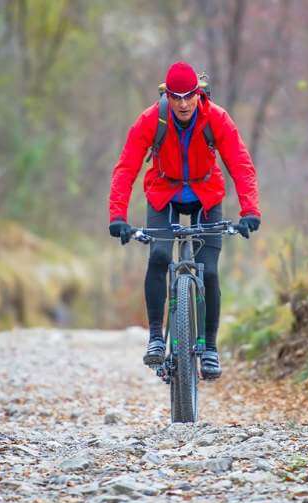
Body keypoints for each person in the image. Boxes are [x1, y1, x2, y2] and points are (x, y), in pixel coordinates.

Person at [107, 61, 261, 380]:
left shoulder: (216, 118)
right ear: (167, 96)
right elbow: (126, 168)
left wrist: (250, 211)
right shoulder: (151, 120)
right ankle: (154, 338)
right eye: (176, 97)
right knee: (160, 256)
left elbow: (241, 164)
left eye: (188, 96)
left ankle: (210, 349)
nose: (182, 103)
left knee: (209, 271)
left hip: (206, 194)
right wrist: (118, 216)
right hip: (164, 193)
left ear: (198, 93)